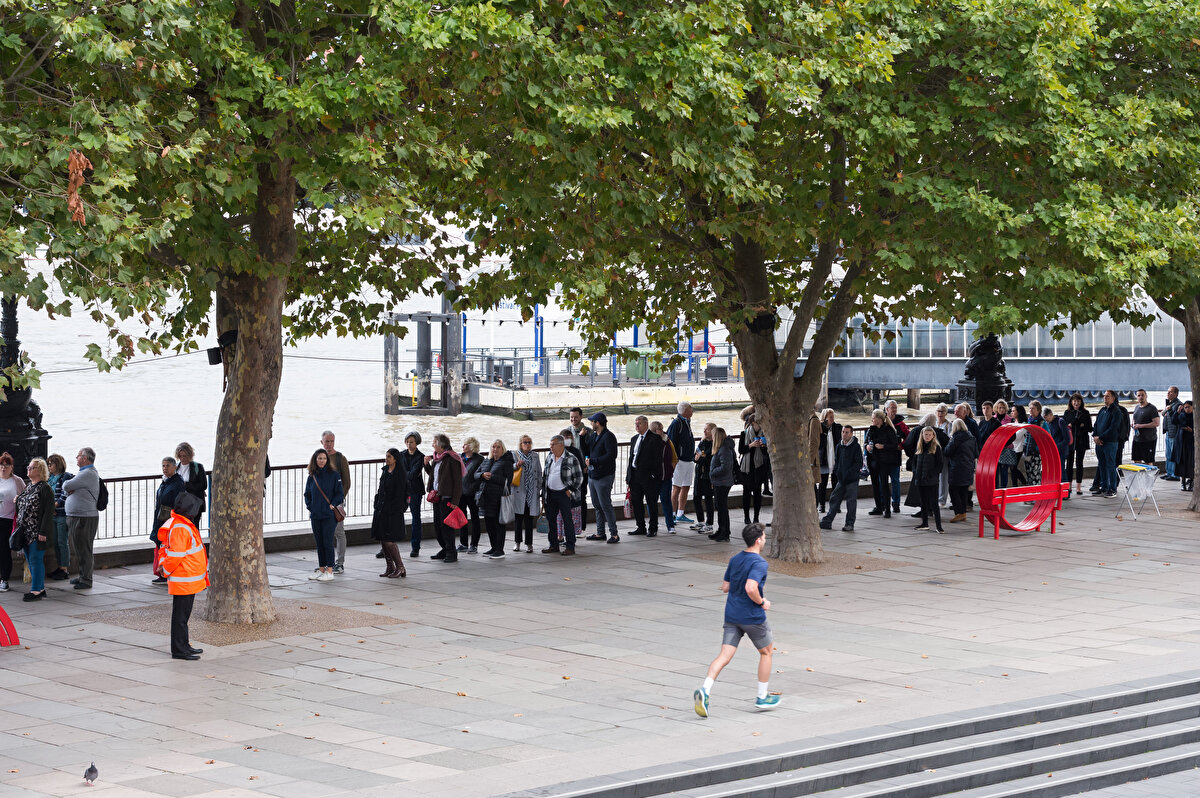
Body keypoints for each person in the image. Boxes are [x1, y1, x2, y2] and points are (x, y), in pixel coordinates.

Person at [693, 523, 780, 718]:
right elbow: (751, 587)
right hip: (752, 617)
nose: (765, 539)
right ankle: (762, 697)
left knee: (724, 656)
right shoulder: (759, 563)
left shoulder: (735, 559)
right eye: (765, 537)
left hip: (732, 615)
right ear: (758, 540)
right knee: (766, 653)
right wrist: (762, 601)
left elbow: (725, 587)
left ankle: (705, 689)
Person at [156, 492, 209, 660]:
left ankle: (184, 645)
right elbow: (176, 555)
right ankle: (180, 650)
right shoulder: (181, 527)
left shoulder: (181, 524)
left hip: (186, 579)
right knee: (180, 617)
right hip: (184, 579)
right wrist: (166, 570)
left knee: (182, 616)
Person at [15, 458, 54, 601]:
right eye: (29, 467)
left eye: (31, 468)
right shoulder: (29, 486)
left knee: (35, 560)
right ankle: (40, 588)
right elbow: (23, 502)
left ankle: (36, 590)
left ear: (40, 470)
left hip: (36, 532)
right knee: (31, 560)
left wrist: (43, 532)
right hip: (25, 531)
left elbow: (48, 512)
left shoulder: (45, 488)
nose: (28, 469)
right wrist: (18, 499)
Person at [304, 448, 344, 581]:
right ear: (315, 460)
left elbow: (340, 494)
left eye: (324, 458)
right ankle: (321, 569)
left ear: (327, 460)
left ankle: (330, 570)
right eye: (319, 458)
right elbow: (307, 494)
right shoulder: (312, 475)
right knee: (319, 543)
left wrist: (332, 504)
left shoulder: (334, 475)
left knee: (327, 542)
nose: (322, 461)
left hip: (329, 515)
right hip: (315, 515)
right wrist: (311, 507)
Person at [424, 433, 465, 563]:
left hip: (447, 498)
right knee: (437, 526)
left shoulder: (452, 458)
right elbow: (435, 476)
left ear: (441, 445)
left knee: (446, 527)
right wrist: (426, 465)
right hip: (437, 497)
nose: (432, 445)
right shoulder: (437, 458)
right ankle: (445, 549)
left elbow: (457, 481)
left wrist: (455, 501)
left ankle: (451, 552)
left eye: (434, 442)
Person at [64, 447, 100, 590]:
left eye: (78, 456)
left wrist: (70, 486)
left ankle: (86, 579)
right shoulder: (84, 474)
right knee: (80, 548)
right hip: (78, 516)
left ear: (85, 458)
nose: (76, 458)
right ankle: (83, 576)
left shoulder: (88, 473)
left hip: (84, 517)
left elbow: (67, 485)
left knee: (84, 549)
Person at [541, 434, 582, 555]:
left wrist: (570, 491)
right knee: (551, 520)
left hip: (564, 494)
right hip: (551, 493)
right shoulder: (549, 457)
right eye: (550, 445)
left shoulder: (571, 458)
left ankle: (570, 546)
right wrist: (543, 494)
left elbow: (579, 478)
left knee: (567, 521)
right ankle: (553, 545)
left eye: (553, 445)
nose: (551, 447)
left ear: (561, 445)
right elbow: (545, 475)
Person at [370, 448, 407, 578]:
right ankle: (390, 566)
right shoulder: (385, 471)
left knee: (389, 540)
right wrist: (377, 503)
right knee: (383, 538)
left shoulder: (400, 474)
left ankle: (400, 567)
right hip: (381, 509)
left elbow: (400, 495)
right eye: (386, 456)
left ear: (395, 459)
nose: (386, 459)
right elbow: (381, 490)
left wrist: (393, 508)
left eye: (389, 457)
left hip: (392, 511)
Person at [626, 416, 664, 537]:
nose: (637, 426)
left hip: (648, 477)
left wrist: (653, 475)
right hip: (635, 475)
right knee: (636, 501)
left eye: (640, 424)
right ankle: (640, 526)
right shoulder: (634, 439)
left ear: (646, 424)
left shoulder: (655, 438)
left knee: (651, 502)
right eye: (635, 424)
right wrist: (629, 476)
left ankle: (653, 528)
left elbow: (658, 459)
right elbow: (631, 458)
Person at [476, 440, 515, 558]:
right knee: (489, 524)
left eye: (498, 447)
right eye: (493, 447)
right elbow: (475, 474)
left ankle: (499, 549)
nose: (495, 449)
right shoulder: (487, 461)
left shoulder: (506, 462)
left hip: (498, 498)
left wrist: (492, 477)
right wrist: (482, 475)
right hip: (486, 498)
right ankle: (493, 547)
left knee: (499, 525)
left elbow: (507, 481)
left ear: (502, 449)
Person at [585, 412, 620, 543]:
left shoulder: (609, 437)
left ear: (597, 423)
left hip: (604, 476)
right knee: (596, 505)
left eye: (592, 422)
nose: (590, 424)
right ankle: (600, 532)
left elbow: (611, 455)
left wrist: (594, 461)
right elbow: (588, 450)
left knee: (605, 504)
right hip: (593, 475)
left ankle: (614, 534)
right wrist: (583, 438)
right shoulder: (594, 436)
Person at [319, 431, 351, 573]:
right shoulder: (318, 458)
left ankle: (340, 563)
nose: (329, 444)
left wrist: (338, 500)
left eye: (331, 441)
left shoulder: (340, 458)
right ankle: (326, 563)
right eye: (327, 441)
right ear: (322, 442)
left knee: (339, 532)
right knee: (324, 533)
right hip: (321, 504)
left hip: (336, 504)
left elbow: (347, 482)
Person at [150, 457, 186, 585]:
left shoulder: (177, 483)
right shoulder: (166, 481)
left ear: (174, 467)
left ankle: (165, 572)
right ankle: (162, 572)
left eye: (167, 466)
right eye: (163, 466)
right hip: (162, 517)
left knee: (165, 546)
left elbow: (177, 501)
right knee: (161, 545)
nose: (165, 468)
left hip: (168, 518)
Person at [820, 425, 862, 532]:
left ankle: (850, 523)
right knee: (834, 498)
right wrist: (838, 472)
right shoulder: (839, 445)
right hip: (842, 478)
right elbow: (837, 461)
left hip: (851, 479)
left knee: (851, 502)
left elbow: (858, 464)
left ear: (851, 434)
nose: (844, 434)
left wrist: (848, 474)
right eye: (843, 432)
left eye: (847, 432)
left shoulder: (856, 447)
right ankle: (827, 521)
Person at [0, 452, 26, 593]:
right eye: (1, 465)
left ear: (11, 467)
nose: (3, 468)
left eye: (7, 465)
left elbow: (26, 498)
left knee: (4, 549)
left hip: (9, 520)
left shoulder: (17, 481)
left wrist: (19, 499)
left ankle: (4, 579)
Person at [667, 401, 697, 526]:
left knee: (686, 487)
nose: (692, 411)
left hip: (689, 460)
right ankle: (672, 515)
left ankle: (680, 513)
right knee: (676, 488)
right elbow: (671, 441)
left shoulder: (686, 422)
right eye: (691, 409)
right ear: (685, 411)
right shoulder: (676, 423)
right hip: (680, 461)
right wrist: (674, 459)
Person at [511, 435, 542, 552]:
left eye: (529, 442)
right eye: (525, 442)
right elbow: (509, 470)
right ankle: (517, 543)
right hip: (519, 491)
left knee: (529, 520)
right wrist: (516, 465)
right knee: (518, 519)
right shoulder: (514, 455)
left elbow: (539, 472)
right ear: (520, 444)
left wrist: (538, 486)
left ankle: (529, 544)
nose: (527, 444)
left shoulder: (535, 456)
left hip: (531, 491)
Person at [738, 415, 770, 525]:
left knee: (757, 493)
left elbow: (767, 453)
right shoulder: (744, 434)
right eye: (758, 423)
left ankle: (756, 517)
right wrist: (751, 445)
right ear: (752, 423)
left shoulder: (764, 434)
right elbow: (741, 450)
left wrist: (763, 446)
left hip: (759, 467)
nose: (760, 425)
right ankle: (746, 517)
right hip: (747, 468)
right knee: (746, 493)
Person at [866, 410, 898, 518]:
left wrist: (883, 446)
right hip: (873, 460)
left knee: (884, 484)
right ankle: (878, 507)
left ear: (879, 419)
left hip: (884, 461)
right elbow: (866, 442)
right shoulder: (871, 430)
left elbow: (894, 445)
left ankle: (887, 509)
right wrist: (867, 446)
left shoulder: (889, 430)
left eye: (874, 418)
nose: (872, 420)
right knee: (875, 484)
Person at [912, 427, 945, 533]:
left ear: (933, 436)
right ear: (922, 435)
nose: (927, 437)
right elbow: (914, 462)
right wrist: (916, 473)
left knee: (934, 503)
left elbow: (940, 465)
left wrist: (931, 474)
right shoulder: (919, 447)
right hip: (920, 479)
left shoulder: (936, 448)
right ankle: (924, 523)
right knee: (923, 502)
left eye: (929, 435)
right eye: (925, 434)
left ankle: (938, 526)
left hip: (931, 480)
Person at [45, 453, 72, 581]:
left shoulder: (64, 477)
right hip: (53, 514)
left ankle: (64, 568)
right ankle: (59, 567)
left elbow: (64, 494)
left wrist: (54, 506)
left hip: (61, 513)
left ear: (58, 464)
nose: (49, 466)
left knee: (62, 542)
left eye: (51, 464)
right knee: (55, 542)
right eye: (48, 464)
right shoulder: (50, 478)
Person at [944, 419, 977, 522]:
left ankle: (959, 512)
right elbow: (976, 453)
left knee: (953, 490)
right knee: (963, 490)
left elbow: (947, 452)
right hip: (968, 467)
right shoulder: (972, 438)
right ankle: (963, 513)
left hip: (957, 467)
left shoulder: (956, 438)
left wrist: (949, 442)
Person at [708, 427, 737, 542]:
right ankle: (722, 529)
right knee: (720, 507)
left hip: (723, 482)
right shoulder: (722, 448)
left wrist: (712, 472)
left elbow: (726, 467)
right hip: (720, 482)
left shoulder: (724, 449)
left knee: (722, 507)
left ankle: (724, 531)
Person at [557, 427, 587, 542]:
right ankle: (560, 536)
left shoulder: (575, 451)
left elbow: (580, 470)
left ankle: (571, 537)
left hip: (572, 489)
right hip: (559, 488)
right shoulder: (556, 451)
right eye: (565, 437)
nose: (567, 439)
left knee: (572, 513)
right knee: (559, 514)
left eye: (569, 437)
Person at [399, 432, 426, 557]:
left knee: (416, 518)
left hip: (415, 490)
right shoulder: (401, 454)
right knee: (394, 516)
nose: (409, 444)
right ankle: (388, 546)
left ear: (417, 443)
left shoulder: (421, 457)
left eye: (412, 442)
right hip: (402, 489)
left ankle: (415, 547)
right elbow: (399, 470)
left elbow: (413, 474)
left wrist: (405, 474)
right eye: (408, 441)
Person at [1092, 390, 1122, 498]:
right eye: (1104, 396)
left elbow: (1113, 428)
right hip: (1099, 443)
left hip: (1110, 443)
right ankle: (1104, 486)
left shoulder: (1116, 412)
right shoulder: (1102, 410)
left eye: (1107, 396)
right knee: (1102, 465)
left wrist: (1101, 437)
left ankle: (1112, 488)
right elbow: (1096, 425)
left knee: (1110, 465)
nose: (1105, 398)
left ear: (1113, 398)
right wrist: (1095, 436)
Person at [458, 438, 485, 554]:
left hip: (473, 493)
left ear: (472, 446)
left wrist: (474, 487)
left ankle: (474, 544)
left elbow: (480, 475)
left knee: (475, 518)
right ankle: (463, 543)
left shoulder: (479, 459)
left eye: (466, 444)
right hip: (460, 493)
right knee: (462, 518)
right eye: (463, 444)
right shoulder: (460, 457)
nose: (463, 446)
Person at [651, 420, 678, 534]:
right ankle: (653, 527)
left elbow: (674, 458)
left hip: (666, 476)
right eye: (660, 429)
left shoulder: (668, 442)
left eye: (662, 428)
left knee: (666, 500)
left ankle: (670, 525)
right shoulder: (650, 442)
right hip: (653, 477)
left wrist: (671, 469)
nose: (663, 431)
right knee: (652, 502)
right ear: (654, 431)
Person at [568, 407, 592, 531]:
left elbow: (590, 450)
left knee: (582, 497)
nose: (573, 419)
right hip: (569, 471)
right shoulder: (566, 432)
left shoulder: (589, 431)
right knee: (569, 497)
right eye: (571, 417)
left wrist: (587, 465)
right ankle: (570, 524)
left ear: (581, 417)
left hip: (583, 470)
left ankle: (582, 526)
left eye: (576, 417)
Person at [1063, 393, 1092, 495]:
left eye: (1078, 401)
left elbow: (1089, 428)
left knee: (1079, 463)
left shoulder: (1085, 413)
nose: (1076, 403)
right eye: (1074, 401)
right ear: (1071, 402)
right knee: (1069, 464)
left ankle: (1078, 487)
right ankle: (1069, 486)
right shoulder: (1067, 412)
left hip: (1081, 441)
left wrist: (1081, 425)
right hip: (1071, 441)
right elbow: (1065, 426)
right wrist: (1077, 424)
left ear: (1081, 402)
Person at [691, 423, 716, 534]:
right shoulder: (702, 442)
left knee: (708, 499)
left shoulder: (714, 444)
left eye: (707, 430)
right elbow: (694, 456)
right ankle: (701, 521)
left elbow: (709, 461)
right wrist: (699, 458)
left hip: (708, 475)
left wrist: (700, 458)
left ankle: (709, 524)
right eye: (704, 429)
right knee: (696, 497)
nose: (704, 431)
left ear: (713, 432)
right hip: (698, 474)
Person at [174, 443, 208, 527]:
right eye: (180, 456)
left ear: (190, 455)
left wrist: (185, 485)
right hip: (180, 503)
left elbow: (203, 485)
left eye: (184, 456)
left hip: (194, 503)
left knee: (194, 527)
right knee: (181, 528)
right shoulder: (176, 467)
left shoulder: (198, 467)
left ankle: (195, 540)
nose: (182, 458)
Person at [816, 409, 842, 514]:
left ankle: (836, 505)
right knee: (823, 483)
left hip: (835, 458)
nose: (832, 419)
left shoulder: (838, 427)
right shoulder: (820, 428)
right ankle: (821, 505)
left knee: (836, 484)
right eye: (830, 417)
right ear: (825, 417)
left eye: (832, 417)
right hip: (824, 458)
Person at [884, 401, 909, 513]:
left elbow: (909, 437)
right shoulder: (882, 421)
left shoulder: (901, 424)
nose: (894, 410)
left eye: (895, 408)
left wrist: (901, 446)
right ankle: (884, 503)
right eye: (892, 408)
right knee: (882, 481)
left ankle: (896, 504)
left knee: (895, 481)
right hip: (883, 457)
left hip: (895, 456)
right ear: (886, 409)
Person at [1043, 407, 1071, 493]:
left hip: (1061, 451)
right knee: (1056, 471)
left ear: (1051, 414)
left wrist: (1056, 446)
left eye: (1046, 417)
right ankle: (1058, 491)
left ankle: (1065, 492)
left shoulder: (1060, 422)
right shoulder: (1048, 424)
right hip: (1053, 451)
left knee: (1062, 471)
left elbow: (1067, 439)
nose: (1046, 420)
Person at [1130, 389, 1160, 466]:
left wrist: (1140, 426)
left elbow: (1156, 423)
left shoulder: (1152, 408)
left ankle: (1149, 478)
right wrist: (1133, 424)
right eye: (1139, 395)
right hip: (1137, 439)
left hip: (1149, 439)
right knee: (1136, 460)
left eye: (1142, 395)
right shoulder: (1137, 407)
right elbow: (1134, 419)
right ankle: (1139, 478)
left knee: (1148, 461)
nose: (1140, 397)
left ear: (1146, 396)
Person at [1170, 400, 1194, 492]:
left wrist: (1192, 430)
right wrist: (1177, 412)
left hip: (1191, 442)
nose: (1186, 409)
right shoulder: (1182, 415)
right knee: (1182, 462)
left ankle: (1191, 481)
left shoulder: (1194, 416)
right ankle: (1183, 482)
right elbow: (1174, 421)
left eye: (1188, 407)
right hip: (1181, 441)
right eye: (1185, 407)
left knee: (1191, 462)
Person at [1161, 386, 1183, 480]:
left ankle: (1175, 474)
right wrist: (1167, 409)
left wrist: (1168, 410)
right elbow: (1162, 413)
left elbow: (1176, 418)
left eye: (1170, 392)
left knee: (1174, 454)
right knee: (1168, 454)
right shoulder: (1170, 404)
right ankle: (1169, 472)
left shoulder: (1178, 405)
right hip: (1168, 432)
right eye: (1168, 392)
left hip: (1174, 433)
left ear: (1176, 394)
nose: (1168, 394)